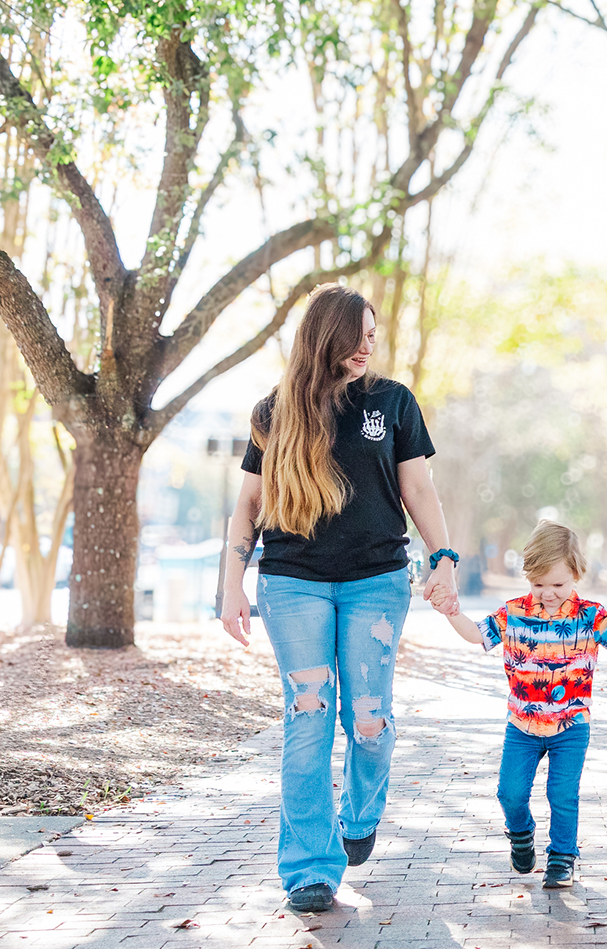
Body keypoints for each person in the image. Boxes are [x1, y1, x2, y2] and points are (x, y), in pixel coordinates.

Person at [219, 285, 461, 914]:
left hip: (377, 581)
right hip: (292, 582)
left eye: (373, 336)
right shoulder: (274, 411)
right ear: (326, 336)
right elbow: (249, 504)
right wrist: (231, 584)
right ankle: (308, 868)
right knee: (308, 719)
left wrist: (444, 557)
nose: (367, 347)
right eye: (358, 336)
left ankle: (359, 815)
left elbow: (418, 489)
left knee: (370, 722)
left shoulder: (392, 401)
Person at [436, 521, 607, 888]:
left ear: (576, 575)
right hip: (522, 725)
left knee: (562, 794)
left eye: (558, 585)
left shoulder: (591, 615)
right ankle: (521, 833)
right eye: (538, 584)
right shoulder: (513, 612)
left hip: (571, 726)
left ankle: (562, 857)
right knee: (510, 793)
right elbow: (477, 634)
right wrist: (451, 612)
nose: (548, 593)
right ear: (528, 577)